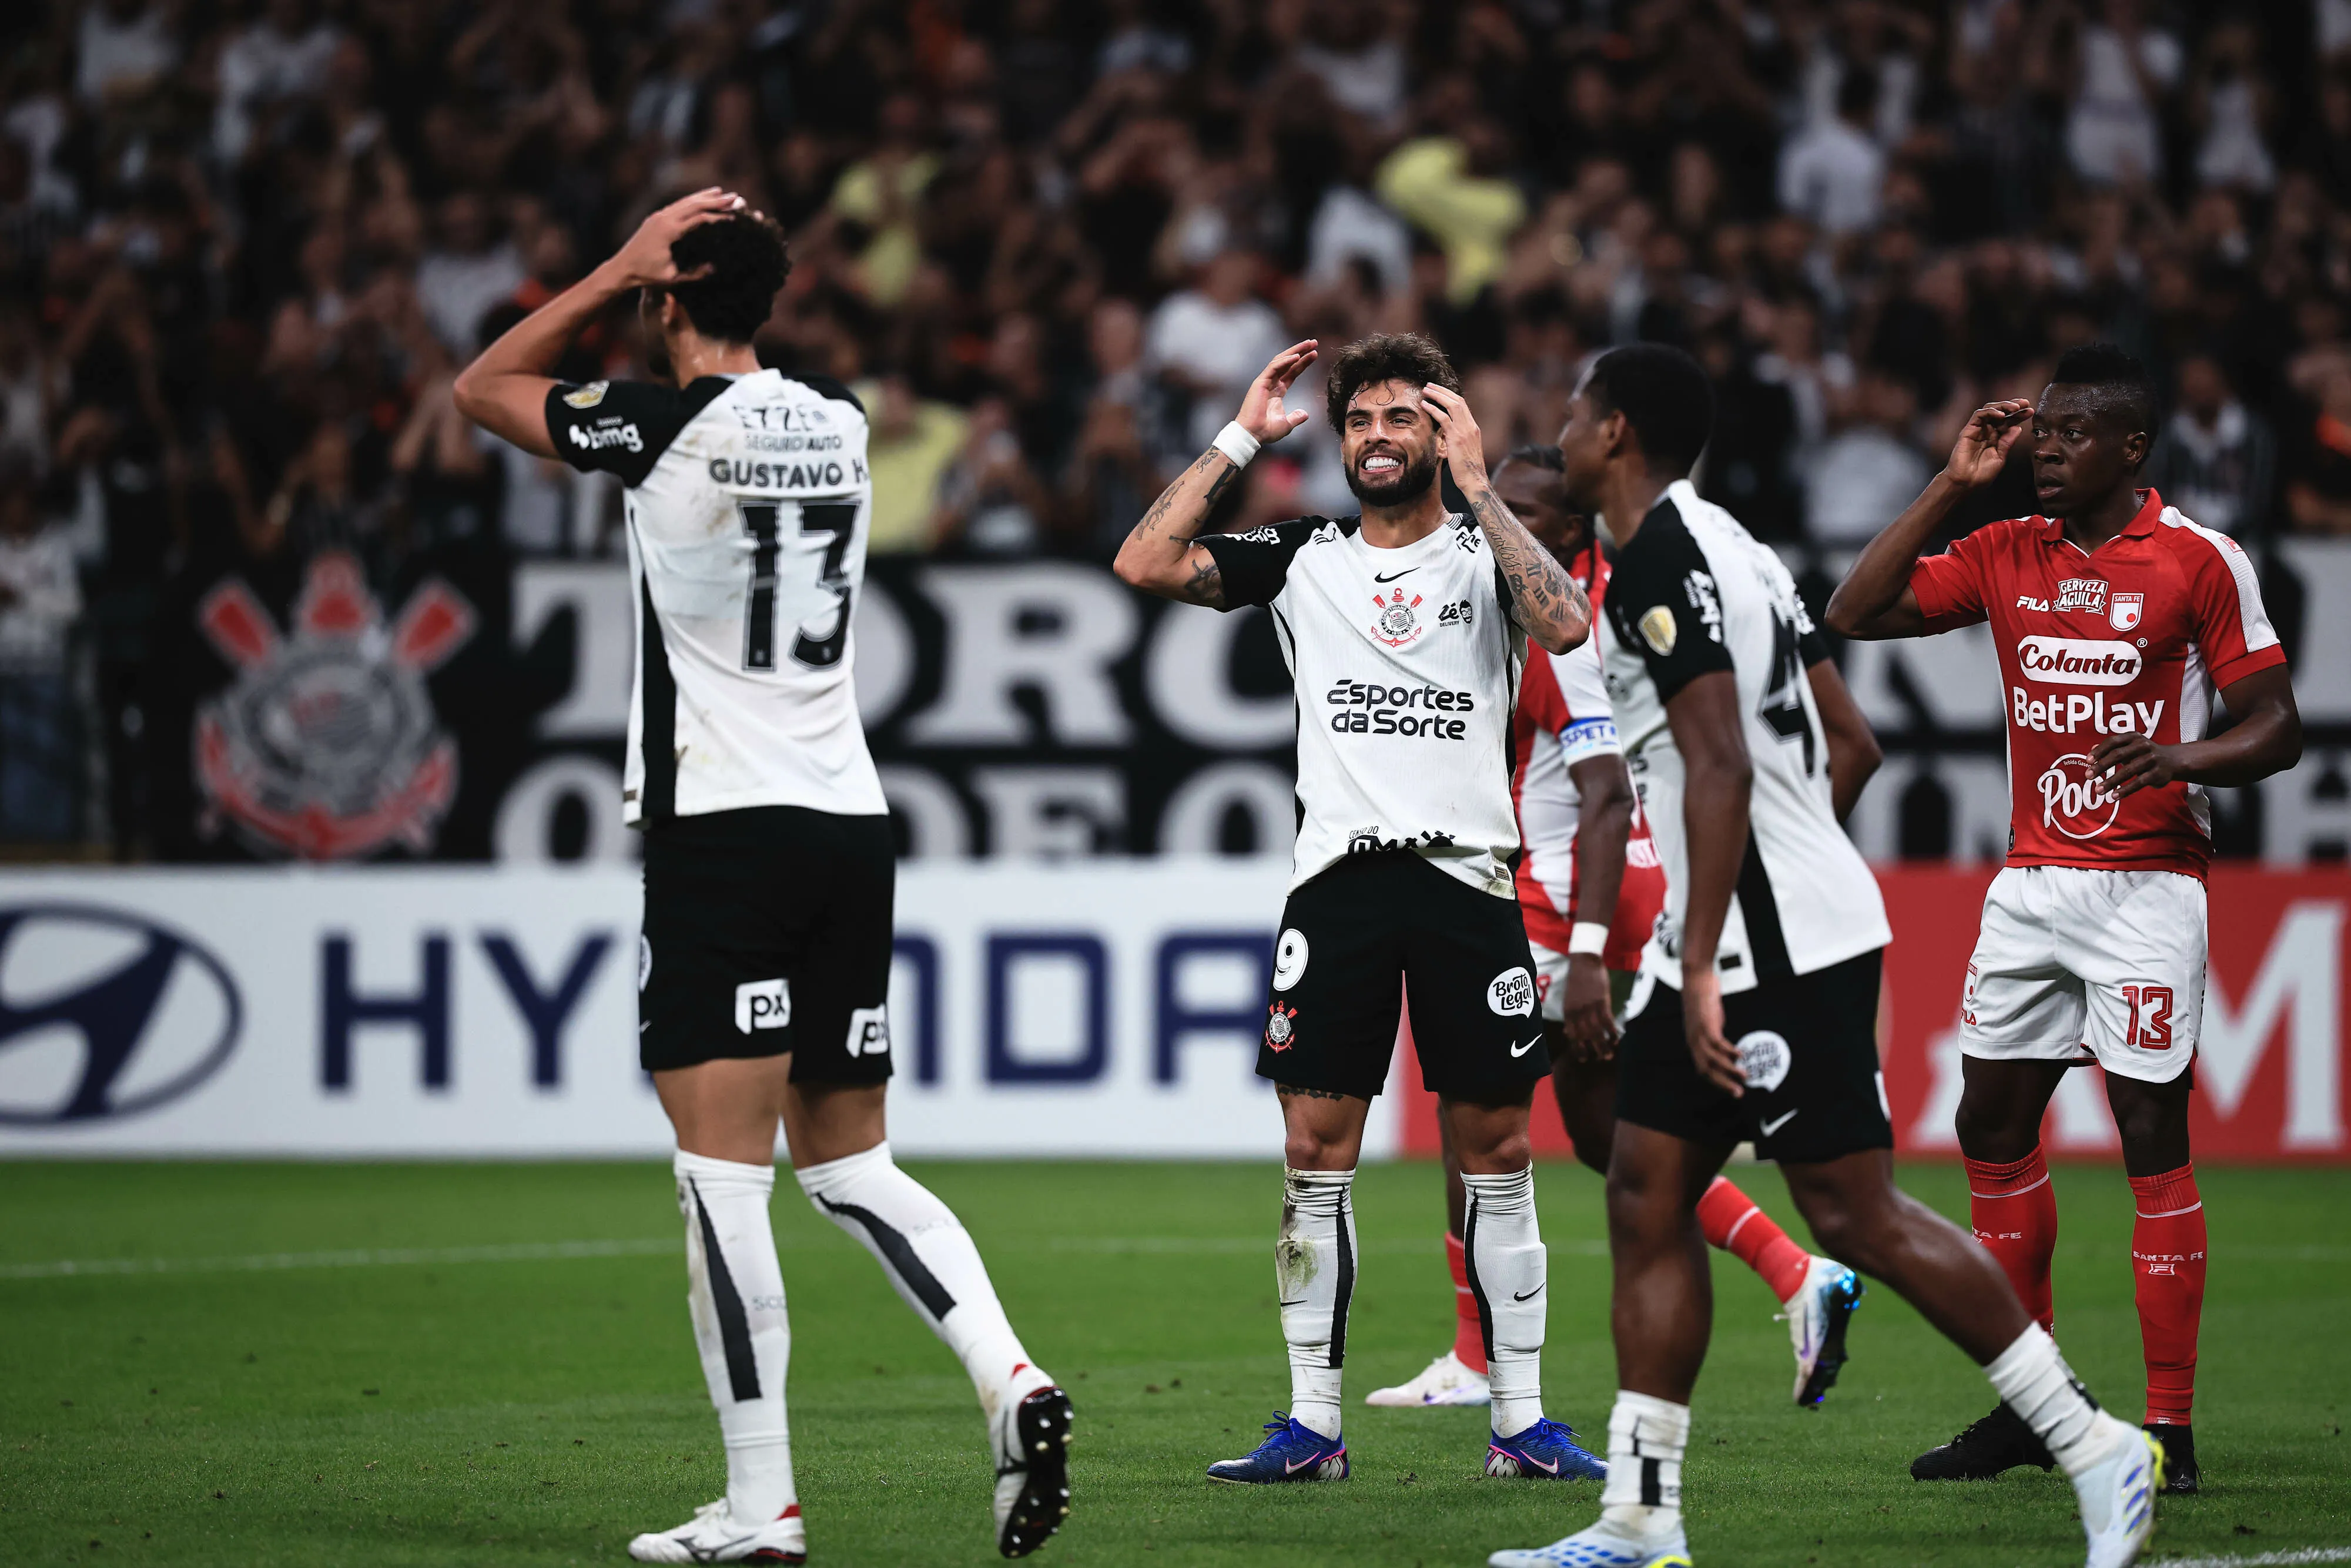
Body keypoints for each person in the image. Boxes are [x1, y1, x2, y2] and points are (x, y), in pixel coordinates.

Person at [452, 189, 1072, 1564]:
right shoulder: (840, 417)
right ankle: (1009, 1375)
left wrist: (609, 260)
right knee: (851, 1161)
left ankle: (760, 1506)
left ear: (666, 300)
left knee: (720, 1180)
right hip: (849, 817)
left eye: (653, 289)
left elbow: (482, 384)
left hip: (724, 829)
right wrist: (671, 283)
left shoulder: (658, 425)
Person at [1491, 345, 2162, 1568]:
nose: (1563, 431)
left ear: (1615, 433)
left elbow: (1719, 765)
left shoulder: (1656, 560)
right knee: (1642, 1187)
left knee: (1853, 1210)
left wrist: (1707, 956)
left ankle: (2090, 1439)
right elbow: (1843, 740)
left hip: (1757, 944)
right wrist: (1792, 878)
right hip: (1773, 918)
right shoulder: (1739, 548)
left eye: (1577, 416)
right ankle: (1640, 1517)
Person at [1113, 331, 1605, 1485]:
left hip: (1464, 883)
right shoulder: (1298, 553)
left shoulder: (1485, 554)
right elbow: (1144, 560)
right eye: (1360, 421)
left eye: (1401, 418)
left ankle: (1521, 1420)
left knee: (1493, 1147)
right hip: (1335, 887)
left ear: (1439, 432)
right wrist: (1242, 434)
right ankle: (1313, 1424)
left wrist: (1482, 489)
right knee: (1308, 1150)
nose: (1377, 440)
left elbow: (1569, 625)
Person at [1824, 343, 2303, 1497]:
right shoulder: (2003, 550)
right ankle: (2034, 1405)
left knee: (2148, 1133)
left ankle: (2169, 1427)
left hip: (2148, 885)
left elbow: (2276, 723)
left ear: (2128, 448)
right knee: (1987, 1121)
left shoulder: (2197, 560)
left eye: (2067, 434)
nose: (2043, 450)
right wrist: (1951, 481)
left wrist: (2181, 755)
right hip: (2029, 881)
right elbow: (1854, 606)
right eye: (2036, 433)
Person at [1367, 443, 1877, 1416]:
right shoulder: (1577, 603)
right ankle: (1795, 1274)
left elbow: (1601, 799)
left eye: (1512, 507)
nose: (1483, 520)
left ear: (1562, 529)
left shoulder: (1562, 629)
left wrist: (1590, 948)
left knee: (1478, 1119)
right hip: (1610, 892)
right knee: (1611, 1136)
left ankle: (1480, 1359)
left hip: (1561, 904)